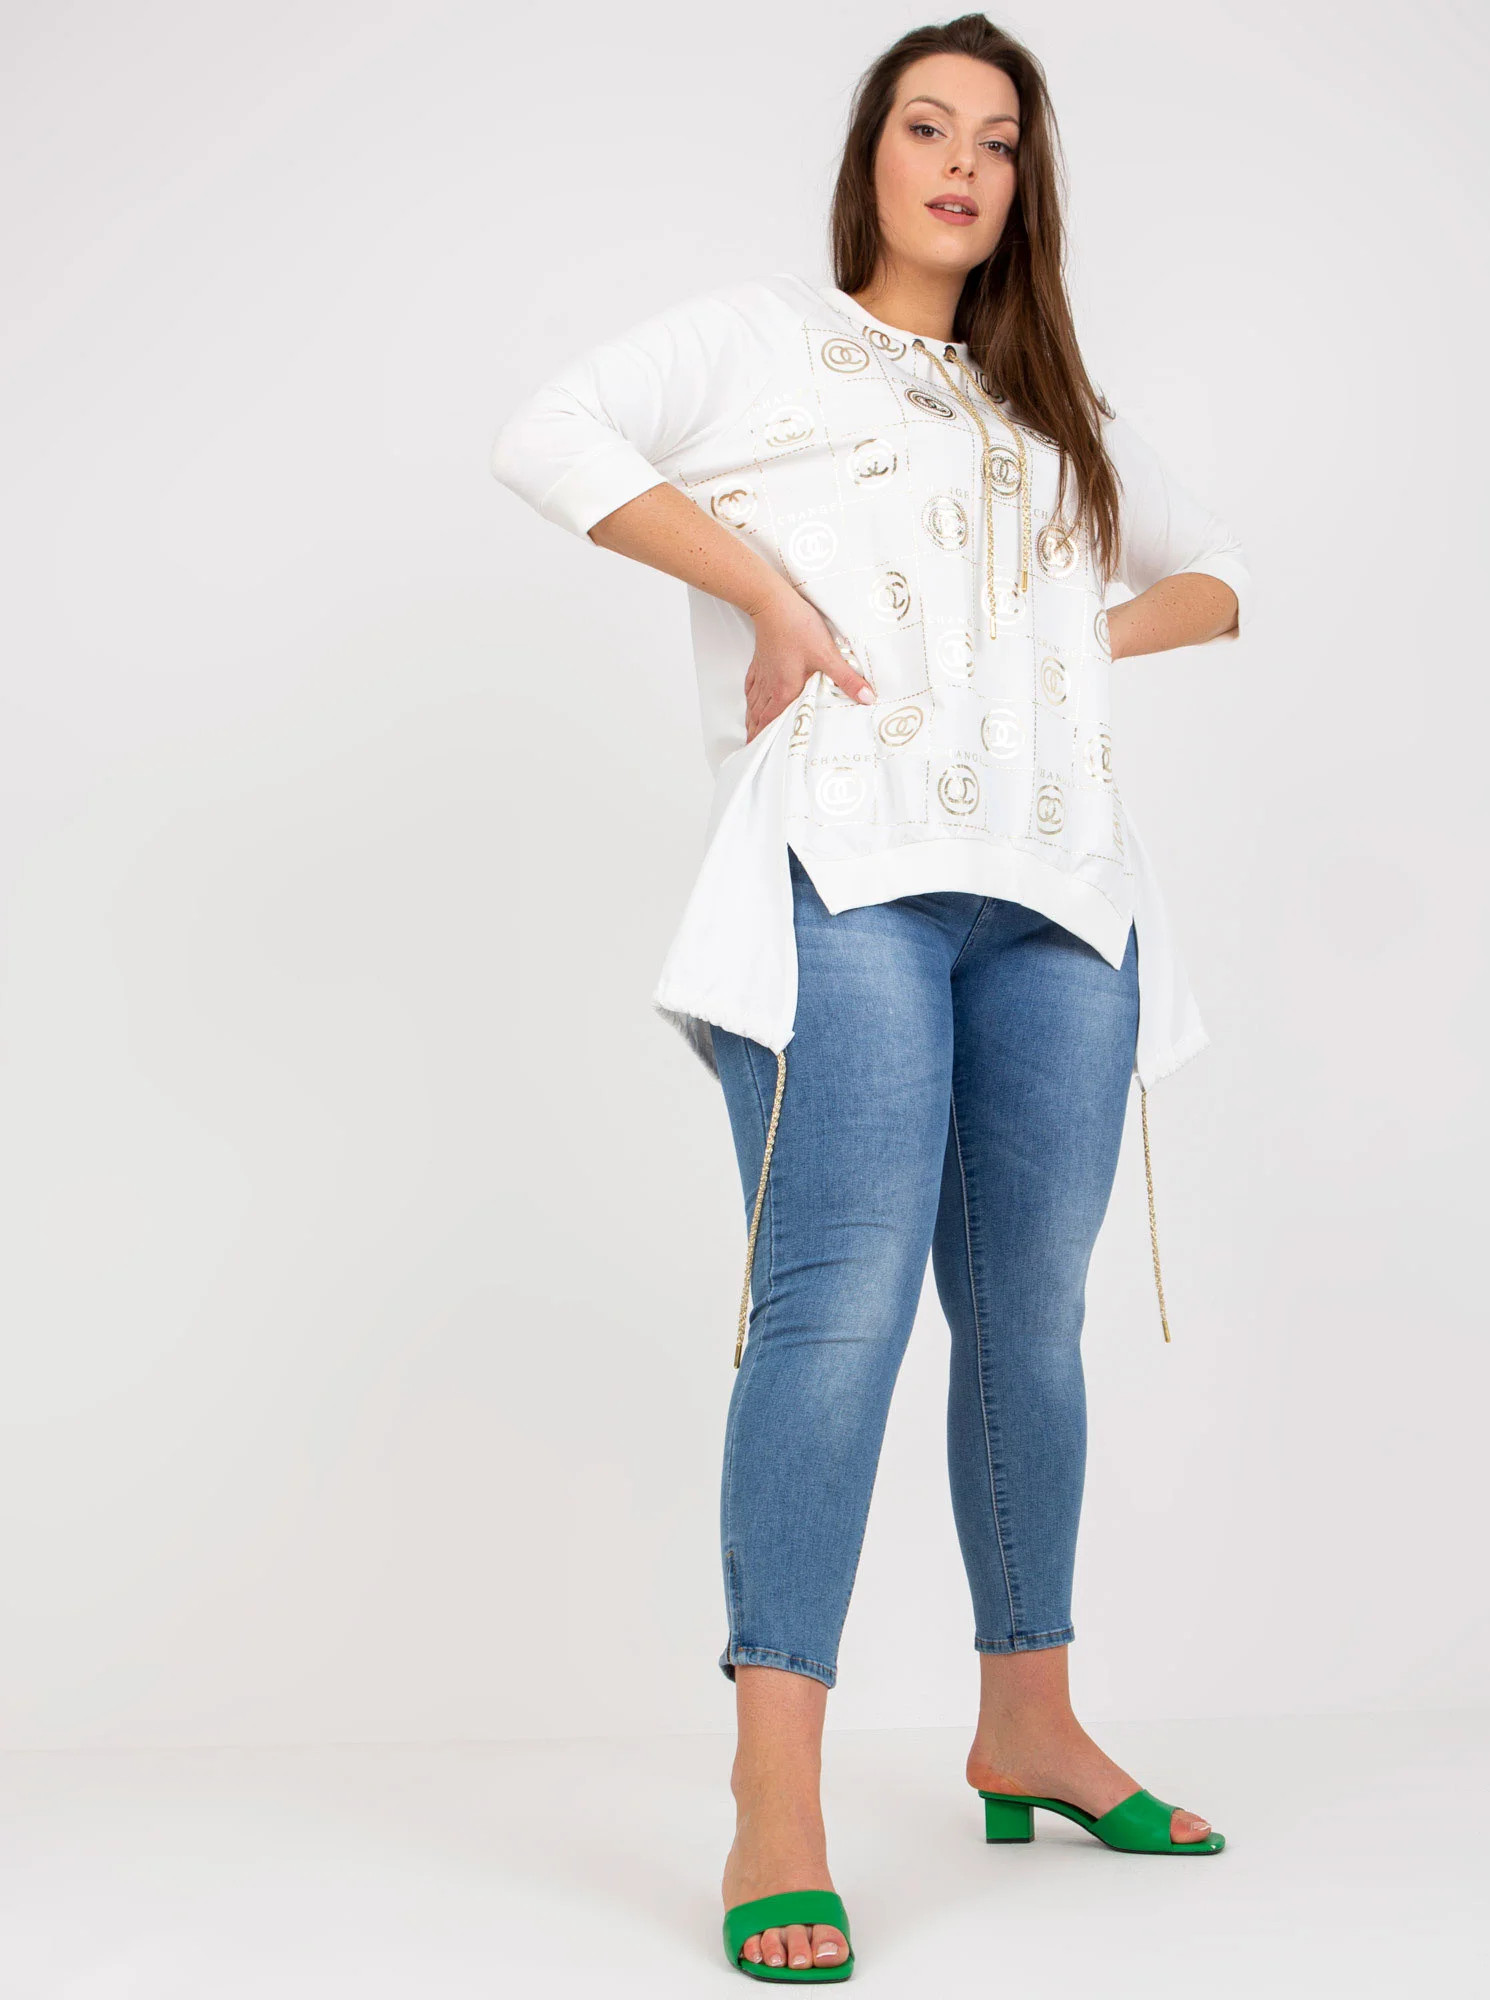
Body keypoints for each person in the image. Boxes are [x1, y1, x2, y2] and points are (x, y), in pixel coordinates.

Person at [492, 12, 1249, 1982]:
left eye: (998, 140)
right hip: (849, 880)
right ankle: (775, 1799)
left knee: (1030, 1325)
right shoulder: (767, 341)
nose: (962, 163)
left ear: (1025, 186)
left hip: (1062, 899)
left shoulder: (1052, 409)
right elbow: (549, 434)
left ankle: (1030, 1720)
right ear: (875, 154)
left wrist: (1071, 644)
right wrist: (766, 590)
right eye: (928, 125)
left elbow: (1222, 577)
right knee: (834, 1314)